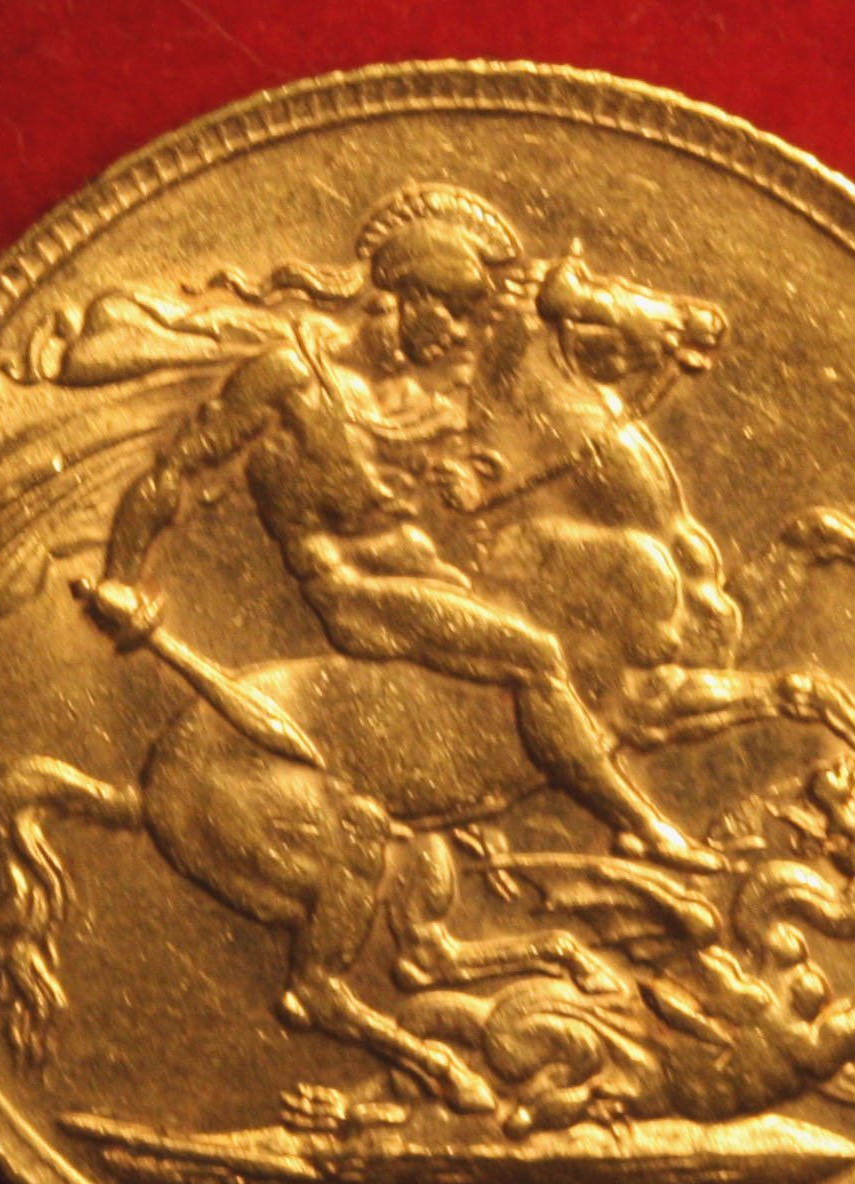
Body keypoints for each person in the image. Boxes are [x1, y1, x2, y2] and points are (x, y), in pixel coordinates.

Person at [86, 184, 706, 869]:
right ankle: (638, 824)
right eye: (455, 312)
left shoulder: (419, 396)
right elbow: (172, 471)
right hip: (354, 593)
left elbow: (452, 499)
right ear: (408, 296)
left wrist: (465, 488)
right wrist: (121, 575)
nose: (461, 334)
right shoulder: (289, 379)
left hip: (430, 579)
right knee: (534, 655)